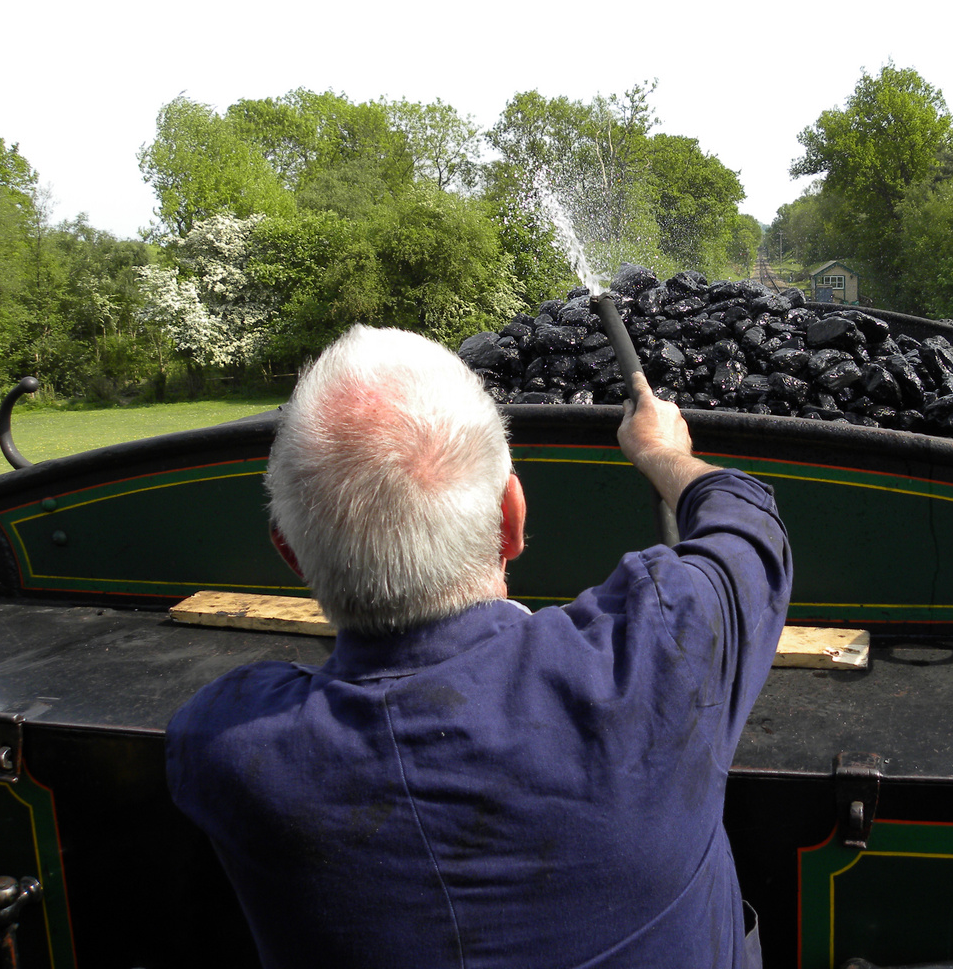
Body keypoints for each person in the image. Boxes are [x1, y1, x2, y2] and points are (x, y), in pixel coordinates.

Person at [165, 323, 792, 968]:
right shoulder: (658, 651)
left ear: (290, 554)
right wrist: (663, 452)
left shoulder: (222, 745)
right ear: (512, 520)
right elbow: (748, 529)